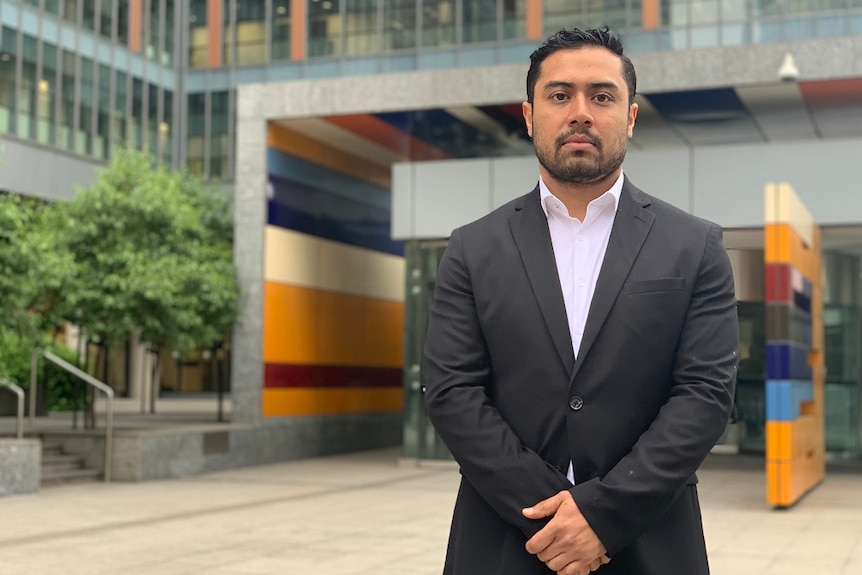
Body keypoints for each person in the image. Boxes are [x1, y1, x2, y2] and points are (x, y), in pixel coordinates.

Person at [422, 27, 739, 575]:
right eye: (560, 95)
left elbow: (706, 395)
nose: (580, 112)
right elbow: (452, 391)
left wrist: (602, 515)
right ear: (528, 115)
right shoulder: (472, 248)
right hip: (503, 539)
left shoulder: (696, 245)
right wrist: (555, 519)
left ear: (631, 117)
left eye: (602, 95)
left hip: (650, 539)